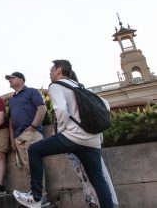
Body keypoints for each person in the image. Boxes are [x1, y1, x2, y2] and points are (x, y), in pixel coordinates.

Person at [13, 60, 114, 208]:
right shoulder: (79, 86)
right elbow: (105, 104)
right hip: (92, 140)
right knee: (98, 180)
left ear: (59, 70)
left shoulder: (56, 86)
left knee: (34, 150)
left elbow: (60, 110)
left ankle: (35, 197)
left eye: (52, 69)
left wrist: (60, 132)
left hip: (72, 137)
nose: (50, 72)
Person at [6, 72, 49, 206]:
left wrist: (33, 126)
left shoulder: (31, 92)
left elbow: (42, 108)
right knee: (28, 167)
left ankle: (41, 197)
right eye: (9, 79)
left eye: (12, 78)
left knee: (35, 166)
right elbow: (11, 120)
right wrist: (13, 139)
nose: (9, 81)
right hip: (19, 137)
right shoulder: (12, 99)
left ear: (21, 79)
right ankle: (35, 195)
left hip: (32, 133)